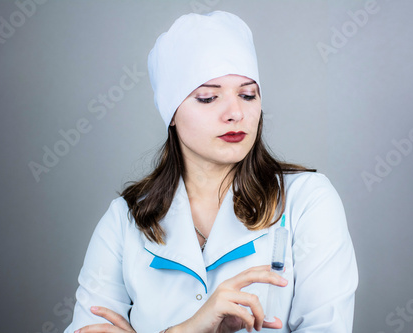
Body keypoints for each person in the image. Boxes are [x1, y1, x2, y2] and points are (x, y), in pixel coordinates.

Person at [64, 10, 358, 333]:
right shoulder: (125, 221)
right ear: (171, 112)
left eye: (248, 95)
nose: (236, 113)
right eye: (208, 97)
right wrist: (188, 329)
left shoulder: (308, 202)